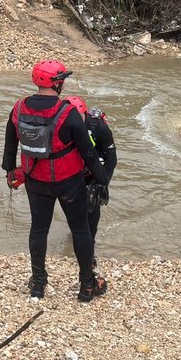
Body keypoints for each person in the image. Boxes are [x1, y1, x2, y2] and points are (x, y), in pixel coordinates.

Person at [3, 60, 111, 303]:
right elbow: (89, 154)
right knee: (81, 229)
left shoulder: (18, 108)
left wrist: (10, 171)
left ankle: (38, 284)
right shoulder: (68, 113)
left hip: (35, 181)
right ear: (59, 84)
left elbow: (10, 145)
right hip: (69, 183)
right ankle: (87, 285)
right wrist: (102, 181)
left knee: (39, 228)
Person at [64, 94, 118, 280]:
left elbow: (111, 158)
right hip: (71, 173)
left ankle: (90, 251)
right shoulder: (60, 124)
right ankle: (77, 236)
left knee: (91, 213)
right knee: (74, 212)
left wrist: (103, 183)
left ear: (85, 114)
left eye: (78, 117)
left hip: (93, 173)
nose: (74, 122)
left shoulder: (98, 126)